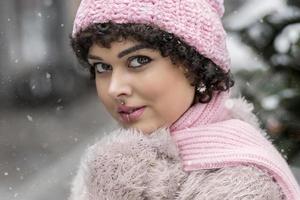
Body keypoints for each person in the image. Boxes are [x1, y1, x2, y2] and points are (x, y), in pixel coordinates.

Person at [69, 0, 300, 199]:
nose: (114, 88)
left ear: (194, 65)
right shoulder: (130, 159)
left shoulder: (236, 185)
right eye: (102, 67)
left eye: (138, 61)